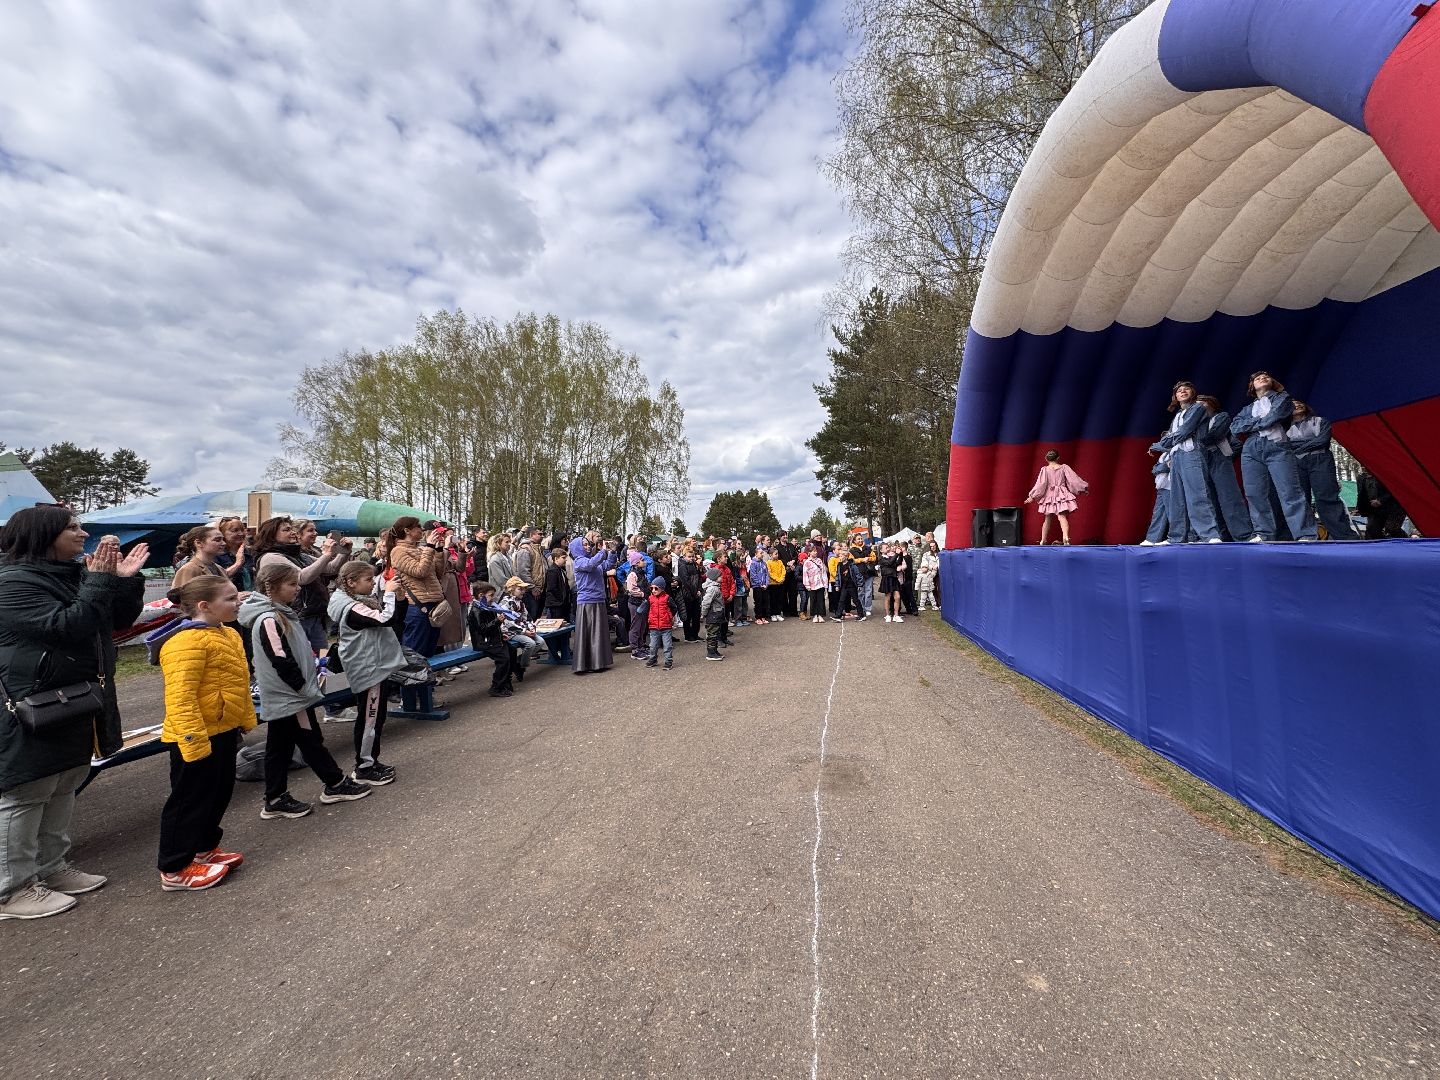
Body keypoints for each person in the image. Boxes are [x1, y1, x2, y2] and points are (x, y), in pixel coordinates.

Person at [0, 510, 146, 920]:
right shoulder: (12, 583)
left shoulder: (69, 574)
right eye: (73, 528)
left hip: (76, 697)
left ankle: (51, 868)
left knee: (64, 781)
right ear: (42, 535)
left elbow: (117, 620)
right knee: (26, 793)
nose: (83, 533)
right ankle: (11, 890)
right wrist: (100, 581)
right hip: (32, 702)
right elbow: (69, 626)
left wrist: (125, 580)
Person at [237, 563, 373, 815]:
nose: (297, 589)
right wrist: (301, 685)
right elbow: (280, 658)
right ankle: (334, 783)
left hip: (290, 695)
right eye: (292, 584)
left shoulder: (281, 614)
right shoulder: (269, 619)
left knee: (281, 747)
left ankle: (276, 798)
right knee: (309, 740)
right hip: (289, 695)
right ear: (273, 587)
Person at [150, 576, 254, 892]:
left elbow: (237, 682)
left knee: (218, 791)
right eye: (231, 599)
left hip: (223, 728)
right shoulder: (185, 642)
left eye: (237, 597)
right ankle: (175, 866)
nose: (238, 603)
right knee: (189, 799)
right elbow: (181, 696)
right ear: (204, 605)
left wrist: (244, 718)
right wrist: (193, 740)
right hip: (194, 734)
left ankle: (204, 847)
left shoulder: (228, 634)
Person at [329, 560, 413, 786]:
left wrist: (399, 596)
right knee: (370, 719)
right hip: (367, 668)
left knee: (376, 717)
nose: (372, 583)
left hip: (375, 665)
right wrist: (388, 593)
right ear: (351, 582)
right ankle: (364, 766)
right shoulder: (351, 607)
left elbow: (393, 619)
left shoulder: (358, 600)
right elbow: (385, 619)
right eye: (368, 580)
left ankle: (371, 760)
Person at [1229, 372, 1316, 542]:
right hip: (1251, 448)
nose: (1262, 378)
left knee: (1289, 490)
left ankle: (1305, 534)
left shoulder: (1282, 398)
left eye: (1266, 377)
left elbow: (1276, 415)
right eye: (1257, 378)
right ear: (1252, 386)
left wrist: (1252, 424)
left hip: (1277, 444)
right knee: (1255, 493)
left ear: (1273, 382)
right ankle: (1263, 533)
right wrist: (1261, 421)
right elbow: (1235, 427)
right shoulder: (1247, 408)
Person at [252, 517, 348, 656]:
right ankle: (310, 678)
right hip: (295, 616)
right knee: (303, 658)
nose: (292, 532)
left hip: (313, 615)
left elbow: (330, 568)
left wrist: (344, 552)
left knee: (322, 658)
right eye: (286, 530)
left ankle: (322, 678)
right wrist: (326, 554)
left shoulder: (299, 555)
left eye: (291, 528)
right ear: (272, 534)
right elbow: (301, 578)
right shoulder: (271, 557)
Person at [1150, 381, 1222, 543]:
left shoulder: (1198, 408)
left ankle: (1210, 534)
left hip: (1192, 454)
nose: (1182, 392)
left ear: (1193, 393)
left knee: (1197, 494)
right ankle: (1176, 537)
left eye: (1186, 389)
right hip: (1176, 457)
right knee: (1177, 498)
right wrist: (1168, 441)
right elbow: (1172, 435)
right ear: (1175, 397)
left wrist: (1161, 444)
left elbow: (1184, 431)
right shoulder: (1177, 415)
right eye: (1179, 391)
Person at [1287, 401, 1357, 540]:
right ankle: (1305, 535)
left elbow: (1323, 440)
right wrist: (1309, 443)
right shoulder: (1285, 427)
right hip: (1297, 463)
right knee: (1301, 500)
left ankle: (1345, 537)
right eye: (1293, 403)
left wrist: (1298, 447)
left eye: (1300, 402)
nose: (1297, 405)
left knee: (1326, 498)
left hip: (1321, 460)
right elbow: (1286, 445)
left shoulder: (1320, 421)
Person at [1196, 395, 1254, 542]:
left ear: (1212, 405)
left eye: (1202, 403)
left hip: (1217, 455)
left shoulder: (1221, 417)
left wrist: (1227, 457)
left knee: (1229, 497)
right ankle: (1219, 535)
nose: (1198, 406)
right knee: (1209, 500)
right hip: (1200, 459)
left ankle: (1244, 535)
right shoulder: (1193, 422)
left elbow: (1215, 435)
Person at [570, 532, 616, 674]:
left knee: (598, 632)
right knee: (589, 632)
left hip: (598, 598)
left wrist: (612, 552)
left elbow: (606, 565)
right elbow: (591, 565)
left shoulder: (592, 560)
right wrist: (603, 551)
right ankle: (586, 664)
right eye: (584, 544)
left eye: (587, 544)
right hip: (587, 600)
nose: (588, 546)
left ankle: (598, 662)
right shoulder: (579, 561)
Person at [1024, 450, 1090, 545]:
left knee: (1047, 518)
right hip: (1061, 494)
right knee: (1062, 517)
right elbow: (1073, 480)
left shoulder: (1045, 469)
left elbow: (1041, 484)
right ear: (1058, 458)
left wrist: (1032, 496)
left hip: (1049, 495)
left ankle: (1043, 540)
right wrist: (1083, 488)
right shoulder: (1064, 468)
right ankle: (1066, 537)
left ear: (1046, 459)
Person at [468, 582, 515, 696]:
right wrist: (498, 621)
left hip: (493, 640)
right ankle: (496, 686)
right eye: (491, 595)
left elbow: (492, 627)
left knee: (511, 651)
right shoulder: (476, 610)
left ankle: (506, 681)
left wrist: (500, 633)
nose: (493, 598)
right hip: (484, 643)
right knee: (503, 659)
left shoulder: (486, 606)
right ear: (480, 595)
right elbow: (482, 629)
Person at [500, 576, 544, 677]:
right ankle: (522, 666)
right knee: (530, 643)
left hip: (522, 629)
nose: (523, 591)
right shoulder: (506, 602)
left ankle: (519, 662)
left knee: (540, 642)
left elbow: (527, 617)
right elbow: (508, 623)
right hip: (510, 632)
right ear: (511, 590)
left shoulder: (520, 602)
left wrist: (531, 628)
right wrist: (524, 631)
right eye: (520, 589)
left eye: (523, 589)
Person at [1140, 450, 1176, 545]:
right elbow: (1155, 469)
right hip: (1162, 486)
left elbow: (1165, 467)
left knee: (1173, 513)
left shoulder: (1175, 451)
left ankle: (1177, 538)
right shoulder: (1164, 454)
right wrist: (1159, 467)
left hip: (1171, 486)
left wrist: (1159, 468)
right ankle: (1152, 538)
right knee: (1158, 514)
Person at [1358, 469, 1407, 539]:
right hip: (1376, 510)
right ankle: (1383, 546)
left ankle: (1406, 541)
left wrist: (1381, 500)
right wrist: (1361, 508)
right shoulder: (1362, 478)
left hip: (1394, 507)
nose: (1363, 467)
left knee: (1392, 528)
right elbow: (1362, 494)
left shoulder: (1386, 474)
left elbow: (1395, 489)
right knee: (1372, 529)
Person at [213, 516, 253, 591]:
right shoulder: (215, 555)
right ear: (222, 533)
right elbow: (215, 581)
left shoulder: (249, 552)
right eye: (235, 530)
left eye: (242, 530)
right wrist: (237, 564)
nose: (241, 533)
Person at [624, 551, 650, 660]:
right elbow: (631, 589)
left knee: (642, 626)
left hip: (642, 602)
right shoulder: (632, 574)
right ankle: (634, 649)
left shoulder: (642, 573)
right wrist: (642, 594)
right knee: (635, 626)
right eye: (642, 560)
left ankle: (640, 646)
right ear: (636, 563)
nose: (644, 562)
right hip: (635, 603)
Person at [644, 577, 675, 670]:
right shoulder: (650, 598)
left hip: (666, 626)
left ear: (662, 588)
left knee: (667, 646)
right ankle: (653, 659)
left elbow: (674, 608)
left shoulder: (667, 598)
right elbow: (645, 608)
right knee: (653, 646)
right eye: (651, 588)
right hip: (653, 626)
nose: (653, 590)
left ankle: (668, 661)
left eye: (656, 588)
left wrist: (669, 616)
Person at [876, 542, 907, 623]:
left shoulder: (890, 557)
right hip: (887, 578)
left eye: (888, 547)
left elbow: (897, 563)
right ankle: (888, 615)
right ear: (881, 550)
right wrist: (896, 554)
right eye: (886, 547)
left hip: (894, 578)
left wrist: (900, 554)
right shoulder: (881, 558)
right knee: (888, 597)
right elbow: (889, 563)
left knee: (897, 596)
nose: (888, 549)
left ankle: (896, 615)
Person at [701, 565, 726, 661]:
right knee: (712, 634)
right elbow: (706, 602)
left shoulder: (716, 587)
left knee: (715, 632)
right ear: (715, 578)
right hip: (713, 615)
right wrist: (703, 613)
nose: (722, 577)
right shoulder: (713, 589)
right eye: (720, 576)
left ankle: (714, 651)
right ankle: (711, 653)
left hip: (717, 614)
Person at [802, 539, 830, 624]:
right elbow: (805, 574)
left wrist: (825, 583)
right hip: (812, 584)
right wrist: (807, 585)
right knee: (813, 600)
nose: (815, 553)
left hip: (820, 583)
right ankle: (814, 615)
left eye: (815, 551)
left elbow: (823, 572)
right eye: (813, 551)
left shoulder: (819, 561)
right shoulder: (807, 562)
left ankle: (820, 615)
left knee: (820, 599)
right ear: (809, 553)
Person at [849, 535, 877, 618]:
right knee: (860, 591)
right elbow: (851, 560)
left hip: (869, 572)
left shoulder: (868, 548)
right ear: (854, 541)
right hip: (858, 573)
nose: (860, 540)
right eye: (858, 539)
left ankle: (868, 608)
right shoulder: (852, 550)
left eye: (861, 538)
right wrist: (861, 560)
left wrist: (868, 558)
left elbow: (874, 558)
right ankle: (861, 608)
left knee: (868, 591)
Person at [542, 547, 573, 620]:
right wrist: (561, 600)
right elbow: (552, 588)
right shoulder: (552, 571)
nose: (565, 560)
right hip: (556, 605)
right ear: (556, 559)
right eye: (563, 558)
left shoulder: (560, 570)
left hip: (563, 604)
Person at [775, 532, 800, 618]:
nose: (785, 537)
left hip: (793, 571)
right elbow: (779, 558)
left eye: (786, 535)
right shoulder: (777, 547)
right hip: (784, 571)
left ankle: (793, 610)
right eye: (783, 535)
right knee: (784, 592)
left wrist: (793, 561)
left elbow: (795, 555)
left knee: (793, 592)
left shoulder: (791, 545)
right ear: (779, 537)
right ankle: (786, 611)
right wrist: (787, 563)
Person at [747, 548, 770, 624]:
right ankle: (758, 617)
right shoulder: (753, 563)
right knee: (758, 601)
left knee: (764, 601)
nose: (762, 554)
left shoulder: (764, 563)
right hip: (757, 586)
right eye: (760, 553)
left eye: (762, 553)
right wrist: (760, 584)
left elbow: (766, 574)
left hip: (764, 586)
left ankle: (763, 616)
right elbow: (753, 575)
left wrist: (766, 583)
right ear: (756, 554)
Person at [765, 549, 787, 623]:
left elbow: (783, 570)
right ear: (770, 555)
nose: (777, 555)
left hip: (780, 583)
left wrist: (782, 578)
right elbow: (770, 573)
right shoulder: (768, 563)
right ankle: (773, 614)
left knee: (779, 599)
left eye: (777, 554)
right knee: (773, 599)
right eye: (775, 554)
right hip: (773, 584)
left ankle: (778, 613)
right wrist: (777, 579)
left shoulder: (780, 562)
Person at [917, 541, 940, 611]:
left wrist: (937, 566)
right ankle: (935, 604)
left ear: (936, 546)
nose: (932, 547)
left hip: (939, 573)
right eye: (931, 546)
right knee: (932, 590)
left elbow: (941, 562)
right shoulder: (926, 554)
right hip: (930, 573)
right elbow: (924, 563)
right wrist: (931, 567)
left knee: (940, 589)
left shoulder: (940, 554)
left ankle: (940, 604)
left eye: (934, 546)